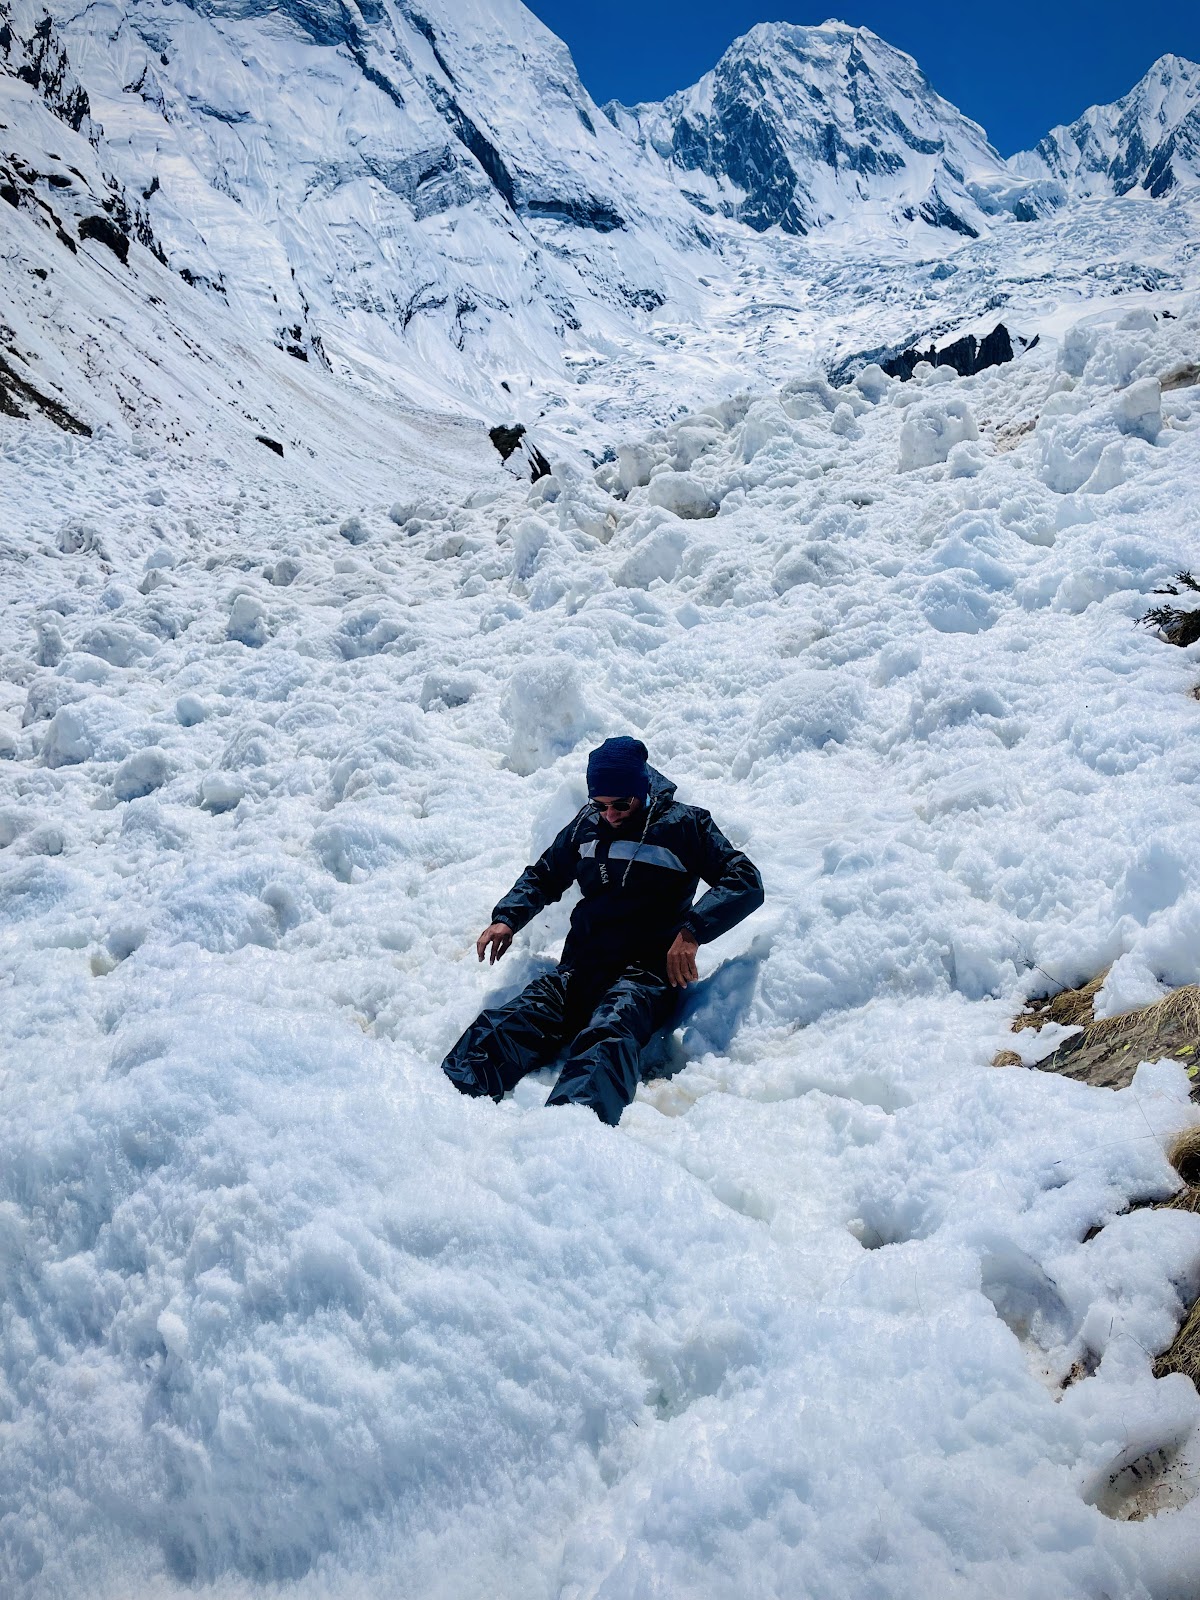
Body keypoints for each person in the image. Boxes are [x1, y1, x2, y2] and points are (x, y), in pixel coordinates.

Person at [441, 736, 764, 1125]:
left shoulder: (686, 826)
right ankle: (442, 1108)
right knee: (506, 1024)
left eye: (621, 804)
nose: (609, 814)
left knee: (609, 1036)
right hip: (582, 968)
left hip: (644, 977)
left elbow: (745, 880)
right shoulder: (586, 824)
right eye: (601, 804)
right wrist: (508, 917)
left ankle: (570, 1134)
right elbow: (546, 874)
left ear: (642, 790)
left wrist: (693, 931)